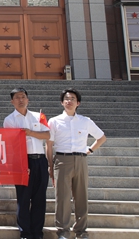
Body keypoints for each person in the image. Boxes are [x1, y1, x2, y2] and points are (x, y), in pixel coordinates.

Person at [47, 88, 107, 239]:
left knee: (81, 197)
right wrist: (50, 164)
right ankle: (63, 232)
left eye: (72, 99)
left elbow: (101, 138)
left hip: (80, 160)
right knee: (62, 198)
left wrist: (89, 150)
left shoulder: (85, 121)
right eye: (66, 99)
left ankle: (81, 231)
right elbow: (49, 145)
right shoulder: (54, 121)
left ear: (78, 103)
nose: (69, 101)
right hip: (62, 160)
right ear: (62, 102)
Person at [3, 88, 50, 239]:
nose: (21, 100)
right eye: (17, 97)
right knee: (23, 198)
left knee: (39, 199)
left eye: (23, 97)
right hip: (23, 161)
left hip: (40, 160)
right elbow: (11, 144)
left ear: (28, 99)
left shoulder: (39, 116)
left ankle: (37, 232)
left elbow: (48, 134)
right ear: (12, 101)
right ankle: (25, 232)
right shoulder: (9, 120)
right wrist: (20, 164)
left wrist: (30, 133)